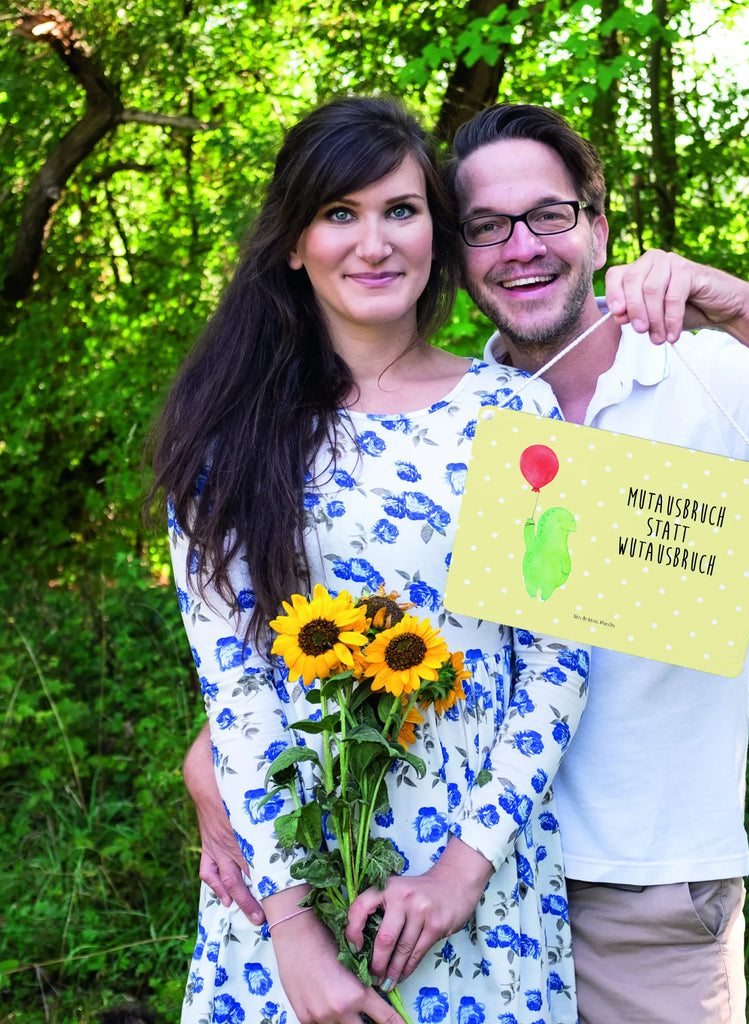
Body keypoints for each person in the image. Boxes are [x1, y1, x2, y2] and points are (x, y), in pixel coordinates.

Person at [185, 102, 749, 1024]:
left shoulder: (696, 372)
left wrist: (744, 307)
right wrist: (219, 767)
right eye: (485, 227)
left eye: (548, 215)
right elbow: (316, 633)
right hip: (413, 876)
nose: (520, 247)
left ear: (596, 226)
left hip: (638, 888)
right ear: (458, 251)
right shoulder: (448, 415)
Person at [149, 96, 593, 1024]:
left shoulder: (518, 415)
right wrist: (296, 937)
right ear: (292, 243)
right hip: (287, 889)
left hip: (476, 889)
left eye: (401, 210)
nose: (374, 242)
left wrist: (461, 872)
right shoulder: (226, 438)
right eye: (339, 214)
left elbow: (557, 663)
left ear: (436, 229)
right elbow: (237, 693)